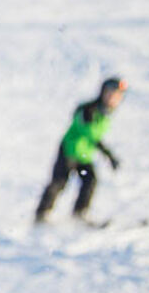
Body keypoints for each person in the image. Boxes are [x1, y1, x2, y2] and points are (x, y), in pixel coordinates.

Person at [34, 76, 126, 224]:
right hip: (69, 151)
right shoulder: (89, 110)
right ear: (103, 92)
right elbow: (90, 134)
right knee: (59, 181)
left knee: (90, 180)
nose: (112, 98)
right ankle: (42, 214)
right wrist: (108, 154)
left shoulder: (105, 115)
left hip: (84, 155)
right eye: (110, 93)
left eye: (117, 96)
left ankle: (80, 213)